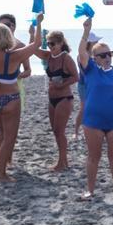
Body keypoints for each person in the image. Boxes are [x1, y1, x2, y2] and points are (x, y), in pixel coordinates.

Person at [0, 15, 42, 182]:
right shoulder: (14, 55)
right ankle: (2, 174)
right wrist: (39, 24)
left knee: (2, 133)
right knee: (8, 137)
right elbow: (36, 45)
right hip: (11, 98)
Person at [79, 18, 113, 200]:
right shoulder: (90, 69)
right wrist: (86, 31)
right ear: (94, 58)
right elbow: (82, 51)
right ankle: (90, 190)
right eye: (103, 55)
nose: (107, 57)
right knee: (93, 157)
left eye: (110, 54)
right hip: (93, 121)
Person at [32, 30, 79, 171]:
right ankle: (64, 161)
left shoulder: (66, 58)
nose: (50, 46)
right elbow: (33, 49)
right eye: (48, 43)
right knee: (55, 131)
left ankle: (61, 162)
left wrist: (62, 84)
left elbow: (76, 77)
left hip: (64, 98)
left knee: (60, 131)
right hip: (51, 99)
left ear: (60, 43)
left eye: (52, 43)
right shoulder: (49, 56)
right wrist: (34, 30)